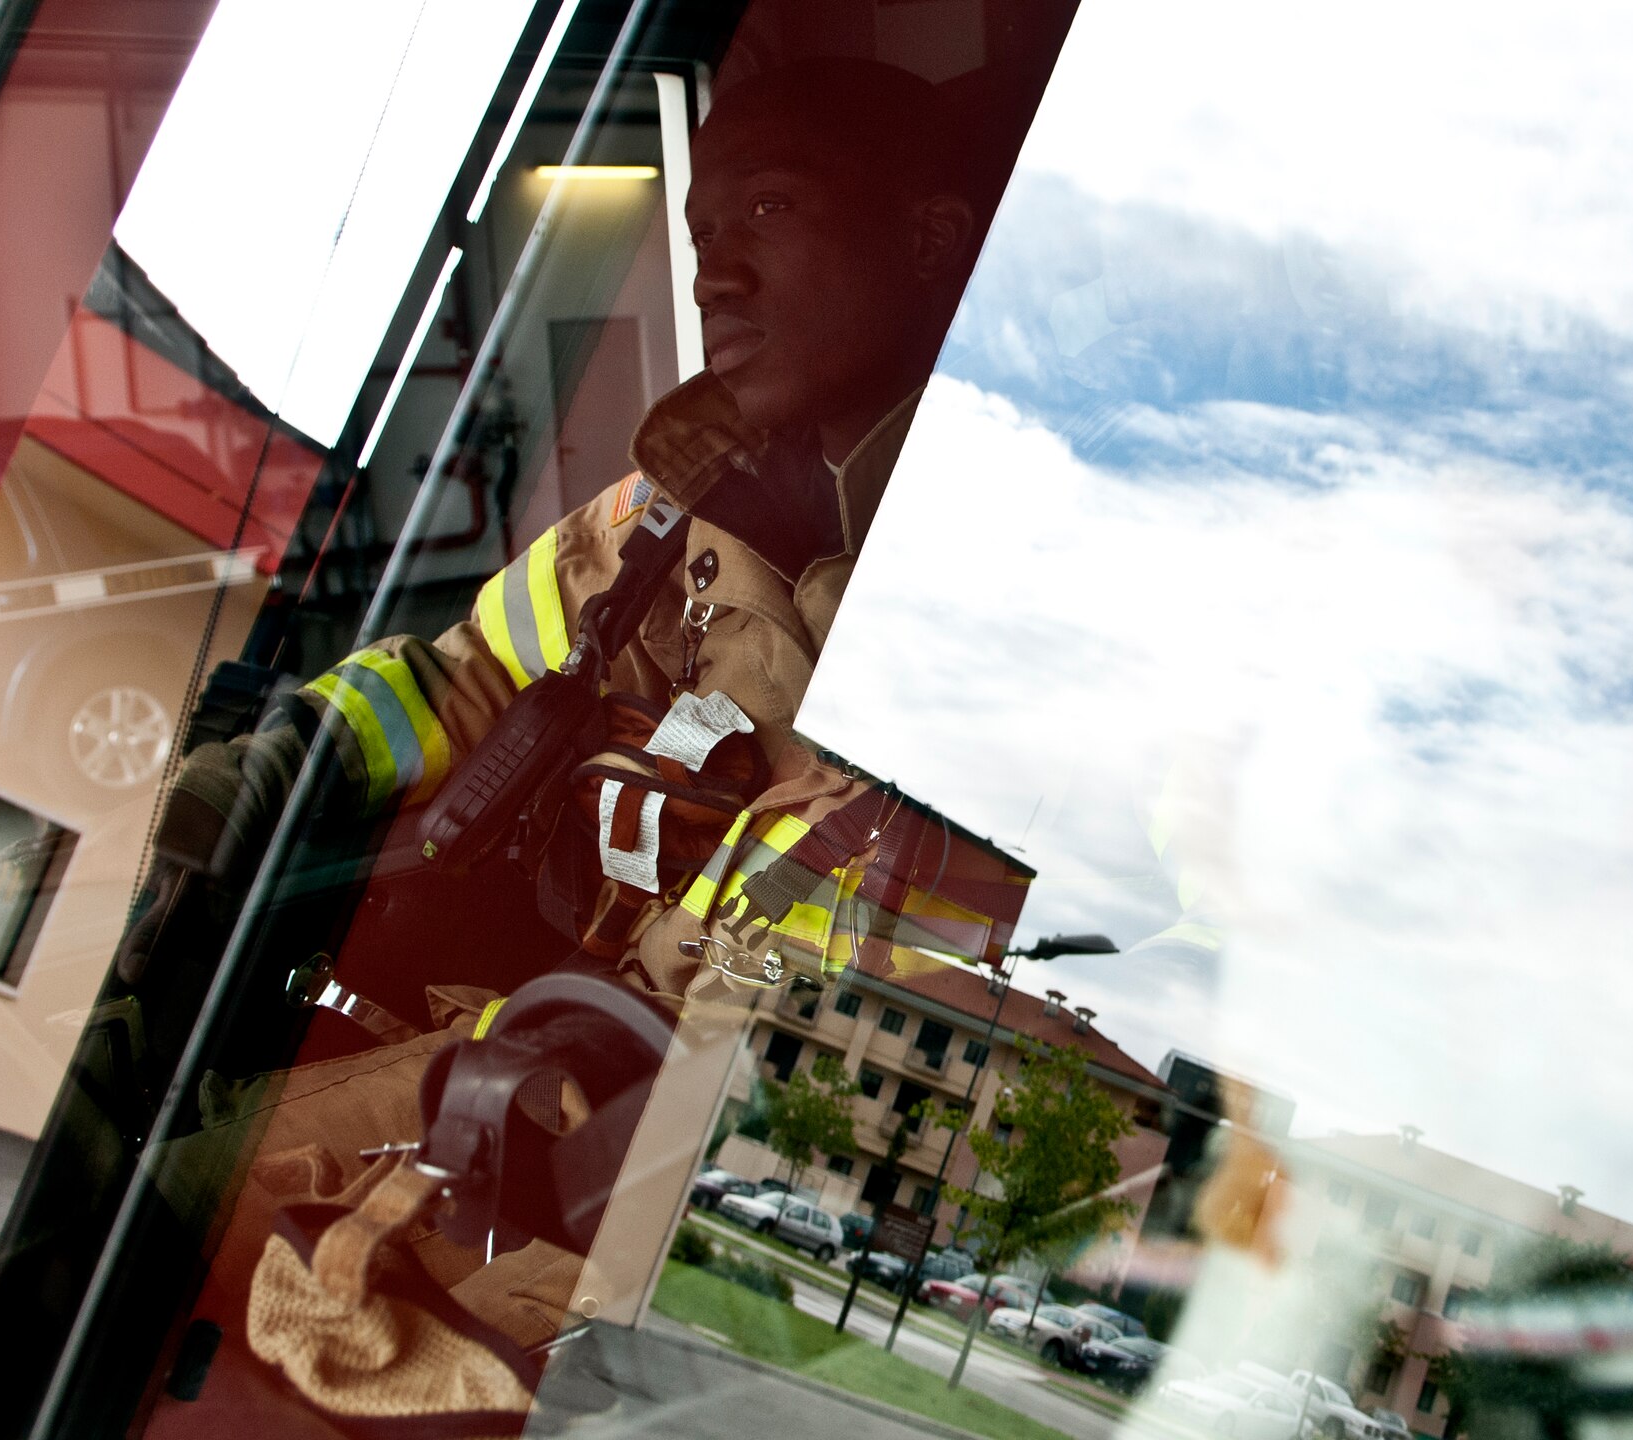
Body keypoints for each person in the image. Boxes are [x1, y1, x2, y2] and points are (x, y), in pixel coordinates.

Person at [106, 58, 991, 1414]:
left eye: (768, 212)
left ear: (928, 239)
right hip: (535, 1080)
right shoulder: (660, 518)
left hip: (712, 1182)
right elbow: (464, 680)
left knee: (199, 1262)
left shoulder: (1013, 580)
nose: (719, 277)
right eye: (704, 239)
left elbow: (942, 947)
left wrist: (658, 1061)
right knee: (133, 1175)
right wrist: (266, 781)